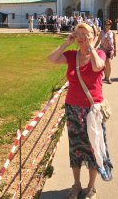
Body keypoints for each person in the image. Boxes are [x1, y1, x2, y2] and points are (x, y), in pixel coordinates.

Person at [47, 22, 113, 199]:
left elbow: (98, 66)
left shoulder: (99, 53)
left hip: (93, 110)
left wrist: (90, 49)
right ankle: (76, 184)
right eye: (79, 34)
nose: (82, 38)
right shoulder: (71, 56)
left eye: (87, 34)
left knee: (93, 148)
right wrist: (66, 43)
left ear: (94, 35)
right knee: (75, 148)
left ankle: (91, 187)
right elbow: (51, 58)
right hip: (73, 109)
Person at [96, 19, 116, 84]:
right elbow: (98, 41)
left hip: (110, 49)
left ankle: (108, 78)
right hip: (102, 49)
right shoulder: (101, 32)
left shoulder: (112, 33)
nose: (107, 26)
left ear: (110, 25)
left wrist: (115, 50)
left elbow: (114, 42)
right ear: (104, 25)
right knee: (104, 64)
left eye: (109, 24)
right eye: (106, 24)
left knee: (109, 62)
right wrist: (93, 48)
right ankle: (106, 76)